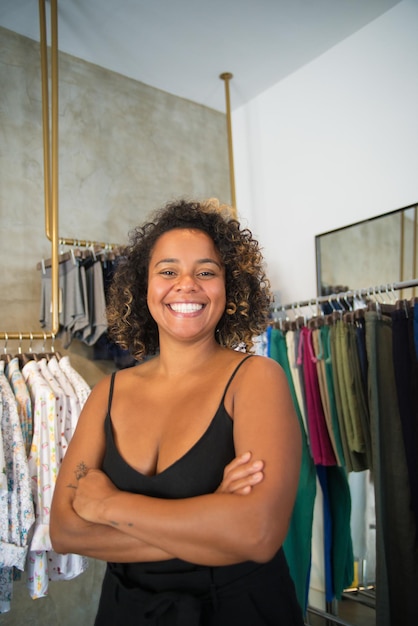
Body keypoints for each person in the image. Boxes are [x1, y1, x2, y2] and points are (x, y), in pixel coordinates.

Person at [50, 198, 304, 625]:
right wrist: (214, 518)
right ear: (143, 288)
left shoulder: (257, 379)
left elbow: (258, 536)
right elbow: (65, 531)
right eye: (168, 271)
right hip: (123, 612)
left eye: (206, 272)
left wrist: (111, 506)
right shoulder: (106, 395)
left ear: (231, 287)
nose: (186, 285)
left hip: (239, 610)